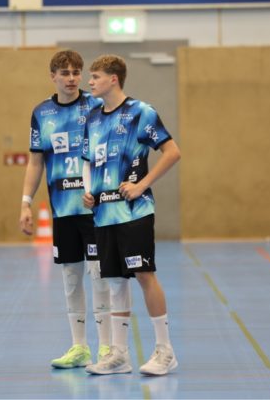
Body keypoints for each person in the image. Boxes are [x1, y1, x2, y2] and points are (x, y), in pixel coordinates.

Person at [81, 54, 181, 376]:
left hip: (134, 212)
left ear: (113, 79)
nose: (89, 82)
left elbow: (172, 152)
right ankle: (119, 354)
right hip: (103, 214)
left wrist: (142, 185)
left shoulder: (141, 112)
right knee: (114, 282)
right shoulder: (92, 118)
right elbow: (87, 161)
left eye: (95, 76)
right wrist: (88, 190)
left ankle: (165, 350)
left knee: (144, 275)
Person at [19, 50, 111, 369]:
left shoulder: (96, 106)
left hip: (94, 209)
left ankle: (107, 347)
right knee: (71, 278)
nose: (72, 79)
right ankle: (79, 347)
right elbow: (36, 161)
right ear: (53, 77)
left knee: (99, 275)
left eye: (76, 73)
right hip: (63, 210)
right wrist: (26, 202)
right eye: (65, 73)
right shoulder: (41, 113)